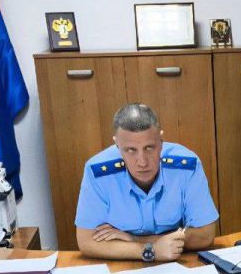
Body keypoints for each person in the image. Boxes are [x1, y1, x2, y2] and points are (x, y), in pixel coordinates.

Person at [75, 103, 218, 261]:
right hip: (122, 268)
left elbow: (205, 235)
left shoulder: (186, 166)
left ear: (161, 141)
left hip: (176, 263)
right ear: (117, 145)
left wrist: (136, 240)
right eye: (131, 150)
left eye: (149, 148)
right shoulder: (98, 172)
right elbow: (87, 242)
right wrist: (150, 250)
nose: (142, 162)